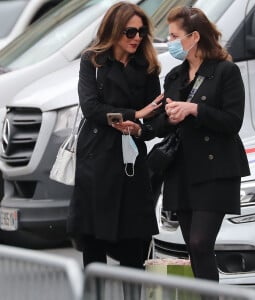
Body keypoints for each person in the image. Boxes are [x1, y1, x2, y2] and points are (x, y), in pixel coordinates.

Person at [151, 6, 250, 281]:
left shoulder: (225, 71)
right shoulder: (174, 76)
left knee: (200, 243)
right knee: (194, 250)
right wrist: (166, 118)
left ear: (194, 37)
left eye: (174, 35)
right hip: (181, 172)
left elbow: (233, 121)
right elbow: (159, 126)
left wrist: (194, 110)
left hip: (215, 170)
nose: (169, 42)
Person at [67, 1, 163, 269]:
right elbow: (91, 108)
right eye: (130, 32)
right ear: (114, 30)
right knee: (93, 240)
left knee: (134, 241)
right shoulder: (93, 60)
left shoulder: (147, 66)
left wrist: (140, 124)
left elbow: (155, 114)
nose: (137, 38)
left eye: (141, 31)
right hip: (96, 157)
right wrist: (136, 112)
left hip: (130, 160)